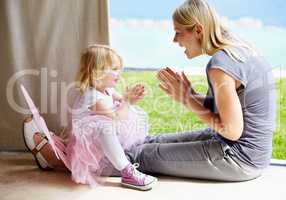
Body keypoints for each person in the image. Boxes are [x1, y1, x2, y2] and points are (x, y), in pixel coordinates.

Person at [24, 0, 276, 182]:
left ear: (198, 30)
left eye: (178, 33)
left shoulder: (220, 65)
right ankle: (80, 151)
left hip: (239, 158)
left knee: (140, 155)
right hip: (243, 150)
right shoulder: (239, 48)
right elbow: (229, 112)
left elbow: (232, 130)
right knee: (146, 141)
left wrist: (186, 99)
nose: (174, 40)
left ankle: (62, 162)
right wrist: (191, 95)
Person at [23, 44, 157, 190]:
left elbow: (121, 105)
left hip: (103, 137)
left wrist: (129, 97)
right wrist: (127, 101)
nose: (119, 73)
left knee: (127, 113)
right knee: (104, 126)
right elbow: (116, 116)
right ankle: (127, 172)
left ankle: (125, 154)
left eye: (118, 69)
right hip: (87, 144)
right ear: (96, 72)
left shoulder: (108, 90)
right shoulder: (92, 96)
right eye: (113, 69)